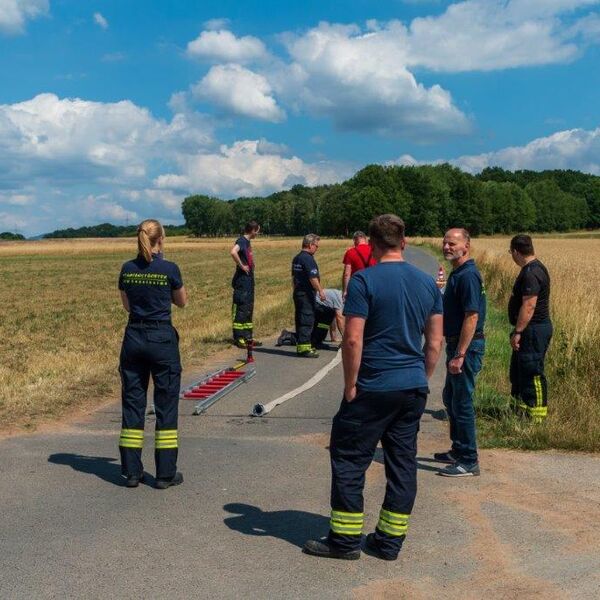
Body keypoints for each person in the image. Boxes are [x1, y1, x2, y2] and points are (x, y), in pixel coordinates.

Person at [303, 214, 443, 561]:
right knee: (402, 463)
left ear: (372, 245)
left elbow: (352, 340)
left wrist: (351, 385)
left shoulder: (364, 282)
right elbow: (435, 343)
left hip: (372, 386)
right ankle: (389, 541)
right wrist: (420, 378)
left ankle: (345, 541)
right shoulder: (428, 285)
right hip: (411, 387)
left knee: (350, 461)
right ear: (404, 242)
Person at [118, 219, 187, 489]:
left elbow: (127, 305)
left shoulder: (127, 269)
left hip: (134, 336)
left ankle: (132, 472)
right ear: (161, 239)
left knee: (133, 405)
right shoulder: (169, 268)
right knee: (165, 406)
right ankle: (165, 473)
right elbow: (182, 302)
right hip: (161, 338)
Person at [434, 228, 486, 477]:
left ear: (466, 246)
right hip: (457, 344)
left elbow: (472, 315)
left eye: (452, 243)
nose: (447, 247)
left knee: (462, 402)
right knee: (450, 398)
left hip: (466, 346)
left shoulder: (467, 276)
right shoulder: (459, 273)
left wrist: (460, 353)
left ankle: (468, 459)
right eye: (445, 243)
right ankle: (458, 449)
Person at [508, 235, 552, 423]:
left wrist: (518, 331)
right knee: (519, 372)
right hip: (530, 329)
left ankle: (537, 418)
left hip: (533, 329)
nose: (511, 255)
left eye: (511, 252)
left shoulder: (531, 273)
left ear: (516, 252)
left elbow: (529, 306)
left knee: (532, 371)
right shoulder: (533, 268)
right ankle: (520, 412)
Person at [291, 234, 326, 358]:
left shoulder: (297, 258)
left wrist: (294, 291)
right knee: (307, 319)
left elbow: (294, 278)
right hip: (306, 294)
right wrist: (321, 291)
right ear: (310, 245)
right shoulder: (308, 259)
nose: (317, 248)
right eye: (316, 246)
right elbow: (313, 278)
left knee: (300, 319)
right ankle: (305, 348)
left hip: (298, 293)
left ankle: (302, 345)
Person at [275, 288, 344, 349]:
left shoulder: (339, 296)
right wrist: (345, 339)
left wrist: (333, 336)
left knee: (326, 319)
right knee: (324, 320)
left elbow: (333, 318)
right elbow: (339, 318)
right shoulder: (340, 298)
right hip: (313, 305)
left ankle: (314, 341)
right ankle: (291, 336)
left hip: (317, 306)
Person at [230, 221, 261, 349]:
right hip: (242, 283)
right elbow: (233, 252)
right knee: (242, 310)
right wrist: (241, 265)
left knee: (248, 309)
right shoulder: (242, 241)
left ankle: (248, 337)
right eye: (257, 231)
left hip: (248, 282)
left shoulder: (247, 242)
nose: (258, 233)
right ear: (252, 230)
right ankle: (239, 338)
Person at [341, 231, 377, 300]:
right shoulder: (374, 250)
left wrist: (345, 290)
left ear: (355, 240)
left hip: (357, 286)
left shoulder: (350, 252)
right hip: (373, 284)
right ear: (365, 239)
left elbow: (346, 274)